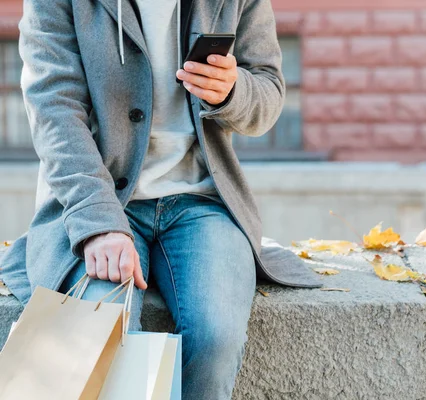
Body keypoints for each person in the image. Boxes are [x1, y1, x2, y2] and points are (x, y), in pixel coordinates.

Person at [0, 0, 322, 398]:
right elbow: (54, 111)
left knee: (216, 339)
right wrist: (97, 223)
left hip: (203, 200)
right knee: (99, 333)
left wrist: (233, 91)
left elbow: (269, 92)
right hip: (96, 201)